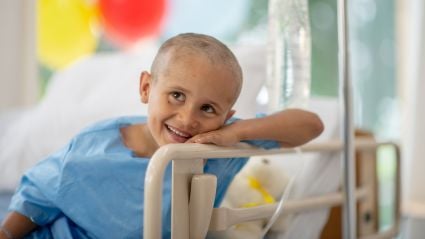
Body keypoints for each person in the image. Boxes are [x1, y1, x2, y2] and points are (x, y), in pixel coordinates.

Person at [0, 33, 324, 239]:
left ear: (226, 115)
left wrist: (235, 132)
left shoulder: (222, 146)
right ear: (146, 88)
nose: (188, 119)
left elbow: (310, 125)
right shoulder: (97, 144)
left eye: (208, 108)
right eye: (177, 96)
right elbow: (38, 193)